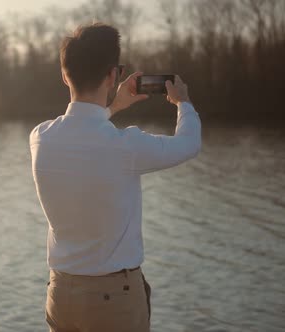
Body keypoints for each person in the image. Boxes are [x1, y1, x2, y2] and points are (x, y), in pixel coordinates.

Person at [29, 22, 201, 332]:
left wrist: (115, 105)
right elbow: (189, 144)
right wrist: (183, 102)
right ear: (113, 75)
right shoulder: (127, 147)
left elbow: (84, 130)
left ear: (65, 74)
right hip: (113, 301)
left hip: (60, 293)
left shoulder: (40, 137)